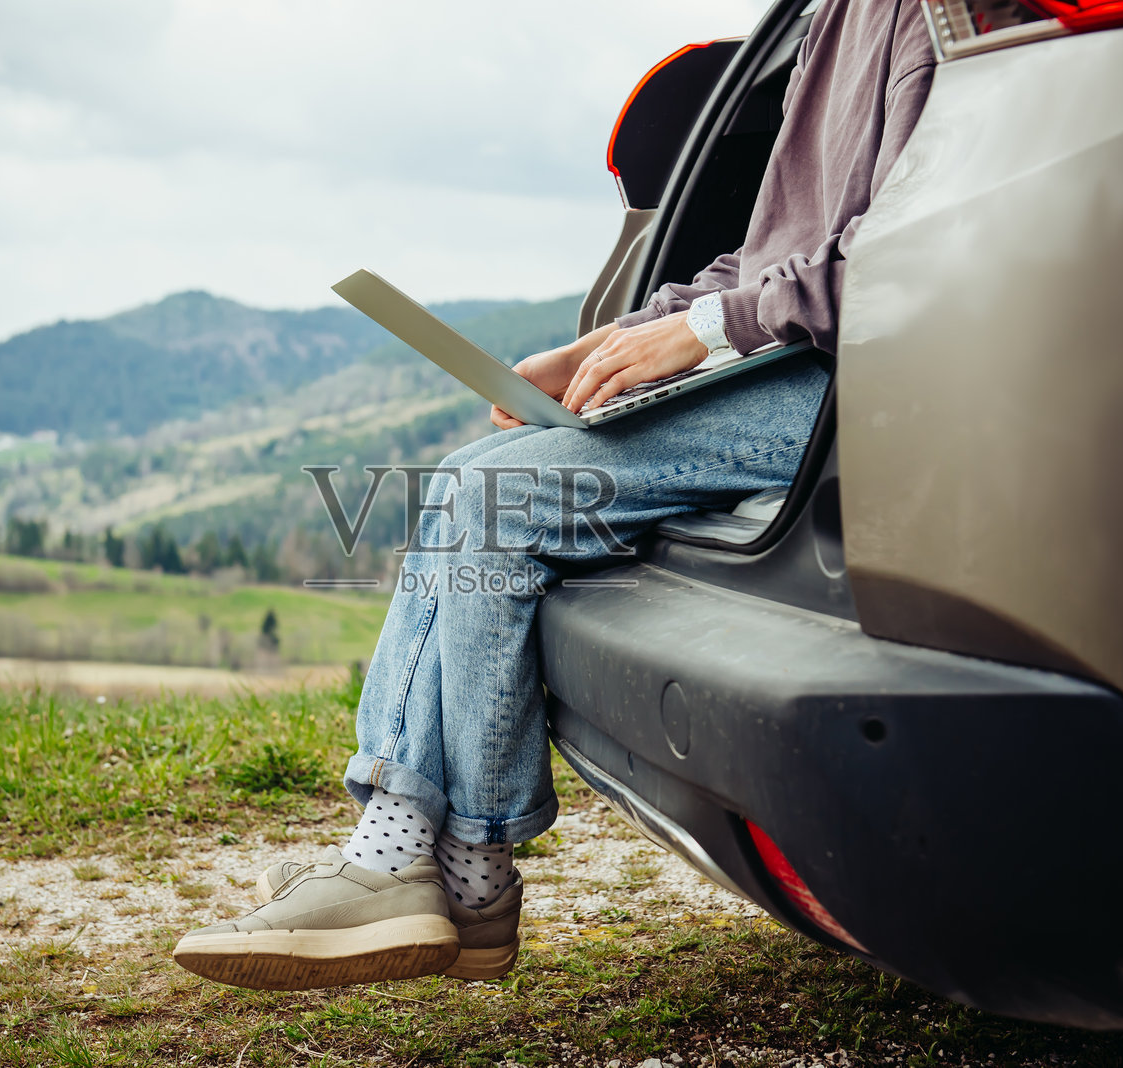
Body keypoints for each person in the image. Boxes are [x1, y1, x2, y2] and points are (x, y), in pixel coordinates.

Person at [172, 0, 936, 992]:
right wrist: (619, 340)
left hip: (866, 372)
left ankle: (437, 866)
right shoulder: (833, 16)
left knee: (499, 500)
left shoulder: (938, 21)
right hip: (791, 356)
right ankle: (439, 867)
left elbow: (926, 256)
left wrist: (709, 332)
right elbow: (766, 255)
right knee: (467, 480)